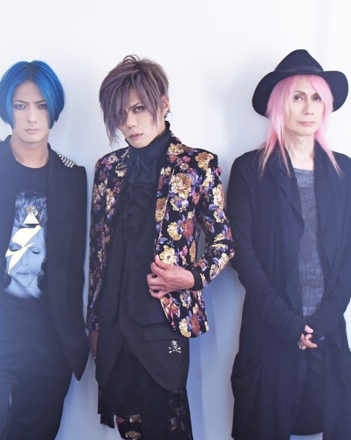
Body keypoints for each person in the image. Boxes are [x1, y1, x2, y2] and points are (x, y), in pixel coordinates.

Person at [227, 49, 351, 439]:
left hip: (329, 332)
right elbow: (242, 254)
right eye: (297, 97)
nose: (309, 108)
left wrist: (324, 320)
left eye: (316, 98)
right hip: (270, 334)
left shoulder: (345, 172)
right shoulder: (250, 170)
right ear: (279, 104)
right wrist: (288, 324)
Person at [87, 55, 235, 439]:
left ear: (163, 103)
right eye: (120, 114)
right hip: (114, 324)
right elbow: (97, 256)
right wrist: (94, 323)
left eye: (138, 109)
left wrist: (191, 277)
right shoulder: (108, 169)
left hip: (162, 323)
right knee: (129, 428)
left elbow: (223, 241)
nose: (129, 123)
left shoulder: (196, 165)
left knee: (169, 424)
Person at [0, 60, 89, 440]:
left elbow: (73, 268)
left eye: (41, 106)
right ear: (7, 108)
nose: (32, 117)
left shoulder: (71, 176)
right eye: (21, 106)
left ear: (53, 109)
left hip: (46, 342)